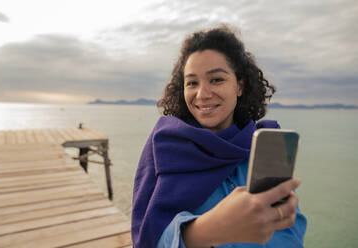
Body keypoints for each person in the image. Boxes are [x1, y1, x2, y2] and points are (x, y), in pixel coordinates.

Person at [132, 25, 307, 248]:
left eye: (216, 80)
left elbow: (291, 231)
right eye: (192, 83)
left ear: (240, 86)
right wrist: (209, 229)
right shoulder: (166, 146)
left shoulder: (264, 147)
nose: (202, 94)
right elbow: (148, 237)